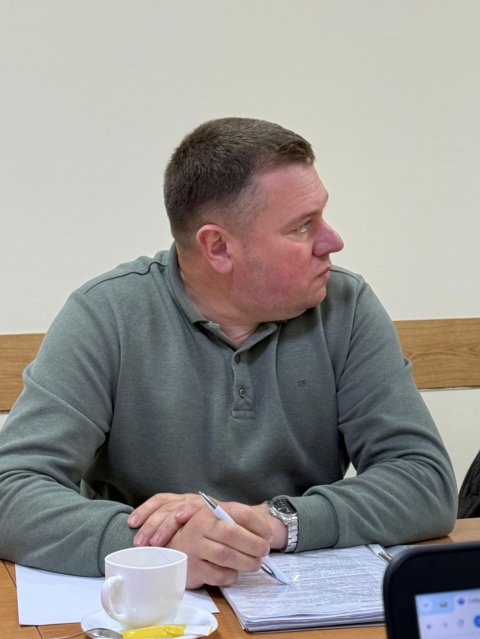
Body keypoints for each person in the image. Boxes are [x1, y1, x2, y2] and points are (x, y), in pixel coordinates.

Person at [0, 117, 457, 588]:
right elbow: (10, 491)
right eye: (303, 226)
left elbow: (424, 482)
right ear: (218, 247)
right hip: (148, 603)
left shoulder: (345, 305)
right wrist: (156, 548)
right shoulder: (106, 315)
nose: (332, 242)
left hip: (295, 597)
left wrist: (275, 522)